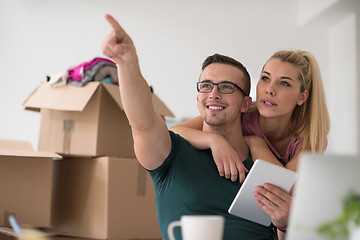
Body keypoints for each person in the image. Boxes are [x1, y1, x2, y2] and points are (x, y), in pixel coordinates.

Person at [102, 14, 278, 240]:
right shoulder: (172, 154)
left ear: (246, 104)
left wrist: (282, 223)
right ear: (198, 99)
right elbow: (142, 120)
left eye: (226, 87)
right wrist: (127, 64)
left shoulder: (263, 163)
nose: (213, 94)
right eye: (206, 86)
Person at [170, 50, 330, 239]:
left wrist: (256, 144)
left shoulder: (311, 139)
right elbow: (173, 132)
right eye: (265, 78)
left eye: (284, 83)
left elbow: (284, 190)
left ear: (302, 97)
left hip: (277, 217)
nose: (269, 89)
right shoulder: (241, 113)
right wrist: (214, 140)